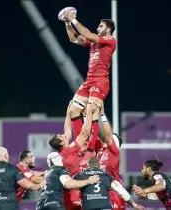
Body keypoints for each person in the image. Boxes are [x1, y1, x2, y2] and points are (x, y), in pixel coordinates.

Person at [63, 10, 116, 159]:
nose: (98, 28)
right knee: (73, 109)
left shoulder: (110, 40)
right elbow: (74, 39)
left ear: (108, 30)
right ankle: (80, 142)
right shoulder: (94, 43)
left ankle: (90, 148)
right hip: (89, 81)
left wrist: (74, 20)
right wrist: (67, 23)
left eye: (101, 26)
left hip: (100, 81)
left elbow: (87, 34)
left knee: (91, 110)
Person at [49, 101, 100, 210]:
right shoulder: (70, 151)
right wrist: (90, 112)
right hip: (74, 193)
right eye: (61, 136)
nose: (64, 135)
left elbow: (67, 130)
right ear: (62, 142)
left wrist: (69, 111)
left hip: (67, 194)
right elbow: (85, 133)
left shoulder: (63, 153)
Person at [74, 157, 145, 210]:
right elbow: (121, 190)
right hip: (105, 207)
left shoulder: (80, 176)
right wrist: (134, 204)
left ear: (87, 166)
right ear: (99, 166)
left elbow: (68, 185)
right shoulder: (106, 175)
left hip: (89, 207)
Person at [93, 107, 125, 210]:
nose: (106, 140)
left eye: (110, 140)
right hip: (101, 191)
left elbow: (107, 135)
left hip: (114, 191)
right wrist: (91, 114)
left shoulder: (114, 152)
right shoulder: (99, 149)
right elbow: (94, 131)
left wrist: (102, 115)